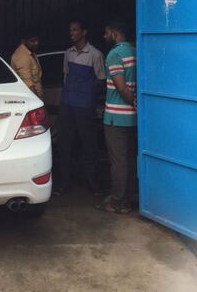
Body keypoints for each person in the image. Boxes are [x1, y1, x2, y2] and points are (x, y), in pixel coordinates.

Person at [53, 20, 106, 197]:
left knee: (89, 145)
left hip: (84, 107)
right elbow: (66, 77)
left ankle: (93, 184)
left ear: (84, 32)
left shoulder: (95, 54)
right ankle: (64, 183)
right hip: (67, 105)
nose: (72, 33)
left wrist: (88, 96)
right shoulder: (68, 53)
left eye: (75, 30)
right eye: (70, 30)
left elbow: (101, 80)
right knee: (64, 145)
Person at [96, 18, 137, 214]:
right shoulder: (135, 51)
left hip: (116, 117)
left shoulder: (114, 55)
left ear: (114, 34)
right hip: (133, 118)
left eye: (106, 33)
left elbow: (121, 87)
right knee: (130, 158)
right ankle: (130, 197)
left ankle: (118, 201)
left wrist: (132, 101)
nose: (104, 36)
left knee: (118, 161)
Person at [10, 25, 44, 100]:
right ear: (23, 41)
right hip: (29, 99)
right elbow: (28, 84)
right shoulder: (22, 56)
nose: (36, 43)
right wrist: (37, 101)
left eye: (37, 40)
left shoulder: (30, 52)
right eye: (32, 41)